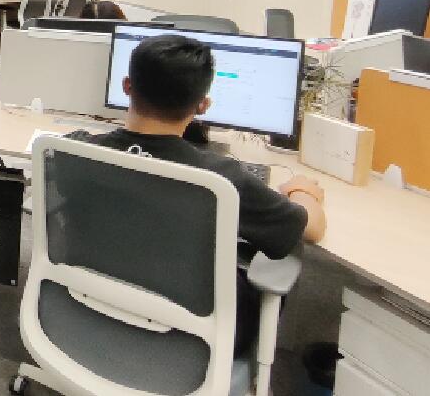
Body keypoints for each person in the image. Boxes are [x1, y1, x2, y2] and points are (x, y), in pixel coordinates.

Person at [69, 35, 326, 356]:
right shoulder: (220, 178)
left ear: (126, 86)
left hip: (86, 303)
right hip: (192, 332)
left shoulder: (74, 149)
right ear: (203, 105)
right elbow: (311, 229)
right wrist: (303, 190)